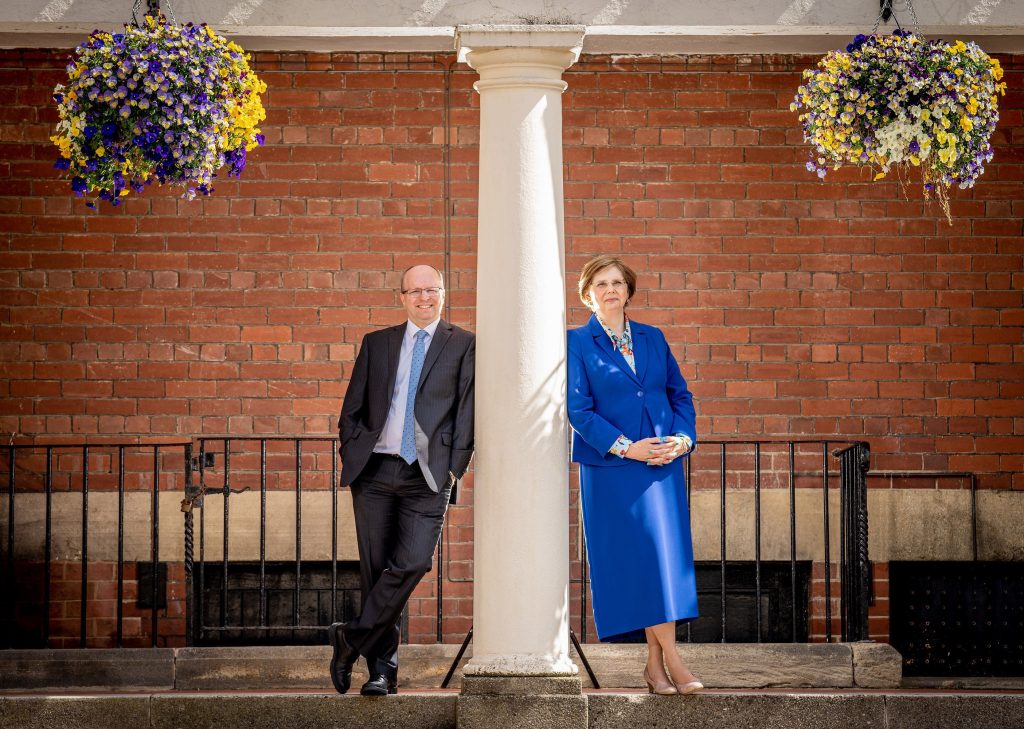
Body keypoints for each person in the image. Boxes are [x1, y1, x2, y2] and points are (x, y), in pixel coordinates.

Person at [330, 264, 475, 696]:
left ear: (444, 294)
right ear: (402, 296)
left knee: (413, 563)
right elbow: (352, 408)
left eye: (431, 290)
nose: (423, 298)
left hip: (427, 474)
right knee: (377, 573)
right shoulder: (378, 343)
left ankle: (350, 638)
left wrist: (455, 466)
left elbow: (466, 411)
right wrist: (352, 445)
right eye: (415, 291)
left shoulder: (464, 344)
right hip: (374, 470)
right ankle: (381, 673)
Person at [567, 254, 702, 696]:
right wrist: (628, 447)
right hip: (613, 471)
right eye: (601, 284)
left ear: (629, 291)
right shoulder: (576, 343)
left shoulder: (653, 337)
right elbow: (578, 410)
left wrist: (682, 441)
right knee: (640, 562)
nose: (611, 290)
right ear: (588, 294)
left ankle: (654, 667)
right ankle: (675, 663)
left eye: (618, 283)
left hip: (661, 466)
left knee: (662, 564)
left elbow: (679, 395)